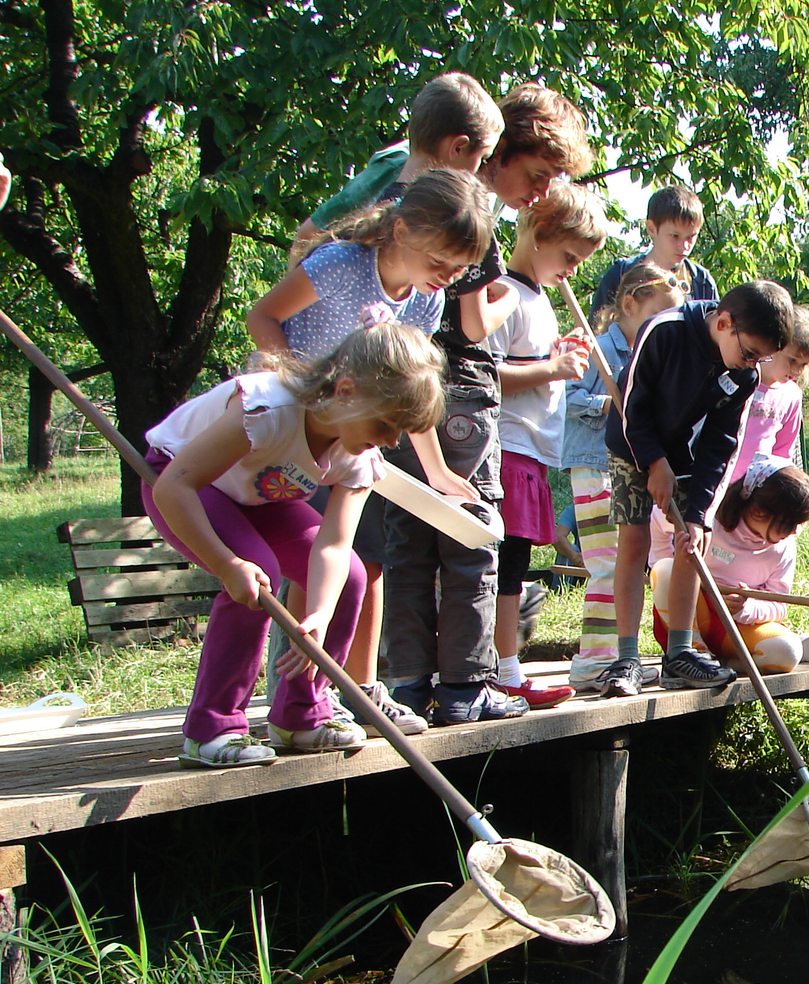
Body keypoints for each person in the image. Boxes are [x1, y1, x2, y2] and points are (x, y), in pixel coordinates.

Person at [249, 168, 492, 735]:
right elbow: (263, 315)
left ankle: (360, 692)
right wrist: (298, 386)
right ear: (403, 231)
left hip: (360, 442)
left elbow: (414, 388)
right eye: (442, 264)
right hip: (303, 433)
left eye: (458, 271)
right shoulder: (339, 265)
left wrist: (437, 471)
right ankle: (298, 698)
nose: (448, 278)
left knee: (367, 563)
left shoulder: (426, 304)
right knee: (307, 562)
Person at [141, 315, 445, 768]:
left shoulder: (357, 455)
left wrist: (319, 615)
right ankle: (213, 727)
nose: (391, 439)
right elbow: (174, 487)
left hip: (259, 497)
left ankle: (301, 713)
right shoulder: (266, 409)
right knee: (256, 571)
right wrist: (227, 565)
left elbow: (334, 546)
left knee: (351, 578)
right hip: (182, 482)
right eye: (386, 424)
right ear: (345, 391)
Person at [385, 84, 595, 726]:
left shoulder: (413, 190)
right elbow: (475, 326)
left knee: (411, 540)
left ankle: (407, 682)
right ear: (494, 152)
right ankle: (465, 687)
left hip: (406, 383)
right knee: (473, 541)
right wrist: (514, 293)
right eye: (535, 176)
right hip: (464, 400)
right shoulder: (473, 220)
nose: (538, 194)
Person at [598, 281, 794, 697]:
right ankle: (627, 658)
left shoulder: (744, 375)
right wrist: (653, 463)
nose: (751, 365)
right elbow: (634, 404)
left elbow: (722, 445)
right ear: (724, 323)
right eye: (748, 353)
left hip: (684, 453)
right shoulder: (664, 330)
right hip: (633, 443)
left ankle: (680, 653)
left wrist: (701, 514)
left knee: (691, 542)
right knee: (633, 544)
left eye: (760, 358)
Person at [487, 182, 609, 704]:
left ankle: (504, 665)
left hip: (534, 452)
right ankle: (500, 669)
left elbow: (529, 365)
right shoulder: (504, 293)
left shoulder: (537, 298)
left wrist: (555, 357)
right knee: (503, 565)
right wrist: (552, 366)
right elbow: (484, 373)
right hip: (508, 447)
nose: (575, 269)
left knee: (513, 563)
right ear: (537, 233)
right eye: (569, 255)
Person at [562, 261, 685, 690]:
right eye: (656, 317)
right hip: (595, 465)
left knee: (620, 561)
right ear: (629, 305)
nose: (662, 328)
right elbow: (569, 397)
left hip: (627, 467)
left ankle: (613, 656)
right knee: (606, 564)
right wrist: (610, 404)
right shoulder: (603, 349)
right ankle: (594, 660)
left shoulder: (654, 354)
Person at [647, 303, 809, 565]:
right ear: (773, 347)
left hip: (751, 495)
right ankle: (663, 570)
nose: (797, 371)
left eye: (805, 364)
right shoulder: (736, 380)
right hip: (713, 483)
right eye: (792, 360)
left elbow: (783, 454)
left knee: (726, 556)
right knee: (693, 540)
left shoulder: (791, 396)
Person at [290, 71, 504, 263]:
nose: (479, 172)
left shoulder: (380, 199)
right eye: (483, 158)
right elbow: (308, 233)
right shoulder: (430, 213)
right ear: (458, 147)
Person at [650, 456, 809, 674]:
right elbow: (656, 520)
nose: (795, 532)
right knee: (665, 569)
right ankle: (691, 653)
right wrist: (663, 560)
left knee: (788, 651)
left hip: (736, 629)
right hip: (691, 616)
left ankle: (725, 665)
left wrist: (747, 607)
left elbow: (779, 604)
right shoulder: (708, 518)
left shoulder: (784, 546)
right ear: (759, 511)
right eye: (790, 523)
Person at [590, 184, 718, 317]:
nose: (684, 246)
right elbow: (597, 330)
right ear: (651, 229)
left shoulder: (702, 282)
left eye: (691, 237)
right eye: (675, 236)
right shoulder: (620, 274)